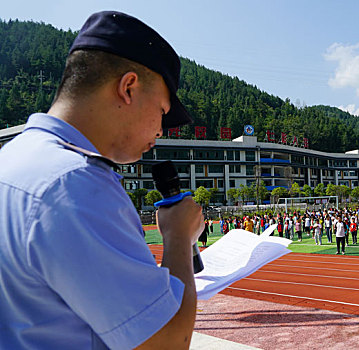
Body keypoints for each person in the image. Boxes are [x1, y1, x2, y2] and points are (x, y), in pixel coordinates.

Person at [0, 11, 203, 349]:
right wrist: (179, 239)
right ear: (128, 88)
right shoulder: (76, 185)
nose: (159, 131)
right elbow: (166, 342)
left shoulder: (12, 159)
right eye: (162, 112)